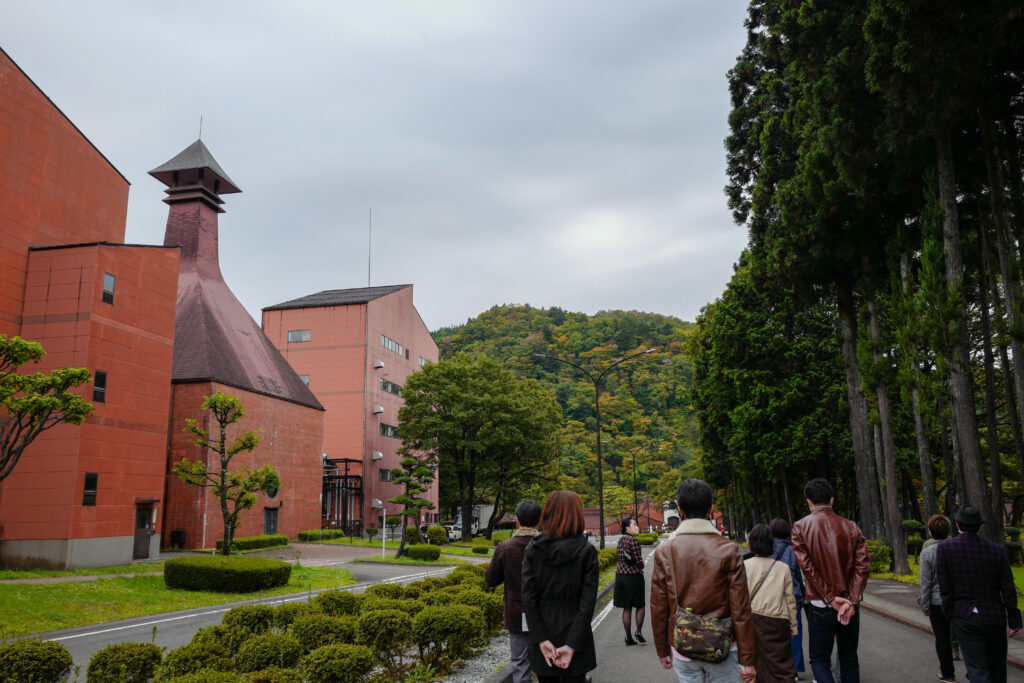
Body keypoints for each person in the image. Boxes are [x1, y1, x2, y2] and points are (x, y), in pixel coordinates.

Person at [651, 478, 756, 683]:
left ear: (680, 510)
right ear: (711, 509)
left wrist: (662, 650)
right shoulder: (729, 550)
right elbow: (741, 610)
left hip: (683, 645)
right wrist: (747, 659)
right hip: (723, 646)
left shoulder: (665, 551)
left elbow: (658, 607)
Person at [791, 478, 869, 683]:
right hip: (849, 605)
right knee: (849, 657)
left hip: (819, 603)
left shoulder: (800, 527)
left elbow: (807, 568)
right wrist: (850, 600)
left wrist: (829, 597)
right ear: (832, 500)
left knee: (819, 658)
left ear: (809, 502)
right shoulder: (851, 526)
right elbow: (863, 567)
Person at [936, 505, 1023, 683]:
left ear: (957, 524)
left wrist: (949, 613)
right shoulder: (997, 550)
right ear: (981, 526)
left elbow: (945, 587)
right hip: (994, 616)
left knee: (977, 668)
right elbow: (1007, 588)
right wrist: (1015, 620)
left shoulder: (945, 549)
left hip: (964, 615)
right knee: (997, 668)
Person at [522, 490, 599, 683]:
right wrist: (572, 644)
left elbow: (528, 599)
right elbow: (587, 603)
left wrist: (541, 639)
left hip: (543, 632)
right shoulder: (586, 551)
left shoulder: (533, 549)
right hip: (576, 633)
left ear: (547, 513)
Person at [485, 499, 543, 683]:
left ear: (517, 520)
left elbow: (491, 580)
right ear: (539, 520)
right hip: (544, 612)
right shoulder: (547, 546)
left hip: (517, 612)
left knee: (520, 663)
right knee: (547, 661)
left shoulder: (506, 547)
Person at [745, 523, 797, 682]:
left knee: (757, 666)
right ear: (771, 545)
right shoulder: (783, 568)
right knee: (781, 665)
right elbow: (790, 600)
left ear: (750, 545)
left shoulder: (743, 566)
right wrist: (793, 626)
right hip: (778, 622)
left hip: (753, 620)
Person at [919, 513, 955, 682]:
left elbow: (925, 582)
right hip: (958, 601)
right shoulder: (957, 548)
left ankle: (947, 673)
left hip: (936, 602)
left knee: (942, 639)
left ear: (931, 531)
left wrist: (925, 606)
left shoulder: (927, 552)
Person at [769, 517, 805, 679]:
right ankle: (794, 669)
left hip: (772, 596)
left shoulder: (767, 549)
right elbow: (799, 575)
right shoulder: (793, 550)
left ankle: (776, 667)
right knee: (795, 632)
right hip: (793, 595)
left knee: (774, 633)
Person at [615, 515, 647, 646]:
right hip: (633, 577)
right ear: (627, 528)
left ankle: (628, 637)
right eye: (634, 525)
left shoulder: (621, 540)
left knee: (626, 607)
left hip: (620, 576)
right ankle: (638, 632)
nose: (637, 527)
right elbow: (639, 561)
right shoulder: (633, 541)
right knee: (640, 605)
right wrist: (642, 565)